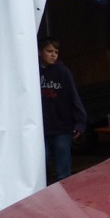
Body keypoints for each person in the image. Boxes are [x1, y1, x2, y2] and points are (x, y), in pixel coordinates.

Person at [38, 36, 87, 181]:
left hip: (62, 128)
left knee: (63, 170)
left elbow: (73, 97)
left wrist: (80, 123)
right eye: (49, 51)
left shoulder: (63, 72)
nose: (53, 55)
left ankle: (64, 200)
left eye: (56, 52)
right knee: (40, 166)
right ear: (39, 52)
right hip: (40, 130)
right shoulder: (32, 71)